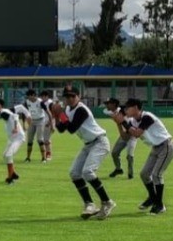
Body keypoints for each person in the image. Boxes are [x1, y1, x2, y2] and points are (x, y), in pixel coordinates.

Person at [54, 87, 115, 220]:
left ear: (78, 96)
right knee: (74, 173)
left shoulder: (81, 109)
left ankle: (107, 202)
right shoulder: (68, 109)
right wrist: (58, 116)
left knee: (88, 172)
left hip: (100, 142)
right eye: (67, 96)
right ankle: (90, 204)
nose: (69, 98)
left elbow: (71, 129)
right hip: (88, 144)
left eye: (72, 96)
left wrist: (61, 115)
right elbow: (60, 129)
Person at [121, 99, 173, 215]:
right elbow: (126, 137)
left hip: (166, 146)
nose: (126, 110)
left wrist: (124, 122)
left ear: (136, 107)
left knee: (156, 174)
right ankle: (152, 198)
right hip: (156, 148)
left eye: (128, 108)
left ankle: (159, 205)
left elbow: (137, 133)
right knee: (144, 174)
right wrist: (119, 123)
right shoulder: (132, 120)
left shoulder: (147, 117)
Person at [0, 98, 27, 185]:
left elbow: (15, 116)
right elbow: (14, 114)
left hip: (18, 138)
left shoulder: (3, 112)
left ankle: (10, 179)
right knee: (5, 155)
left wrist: (15, 127)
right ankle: (13, 174)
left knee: (8, 155)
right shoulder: (4, 112)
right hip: (13, 139)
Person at [104, 98, 136, 180]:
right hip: (123, 134)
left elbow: (128, 121)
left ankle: (130, 174)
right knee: (114, 153)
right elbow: (107, 112)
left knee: (129, 155)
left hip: (132, 134)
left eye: (108, 103)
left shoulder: (122, 110)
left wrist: (118, 117)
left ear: (114, 104)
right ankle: (118, 169)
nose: (106, 105)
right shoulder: (110, 111)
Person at [23, 90, 46, 163]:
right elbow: (23, 112)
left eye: (29, 96)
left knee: (40, 140)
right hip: (31, 121)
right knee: (29, 140)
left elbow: (47, 111)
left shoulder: (40, 102)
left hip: (40, 121)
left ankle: (44, 158)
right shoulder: (27, 102)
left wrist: (51, 123)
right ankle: (28, 158)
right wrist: (24, 123)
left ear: (33, 95)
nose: (28, 97)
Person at [38, 90, 56, 161]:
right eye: (41, 97)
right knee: (44, 139)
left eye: (43, 97)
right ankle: (46, 154)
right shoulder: (42, 103)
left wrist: (50, 123)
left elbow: (54, 114)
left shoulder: (50, 103)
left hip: (48, 123)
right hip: (43, 123)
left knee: (46, 140)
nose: (42, 98)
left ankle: (48, 155)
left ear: (46, 96)